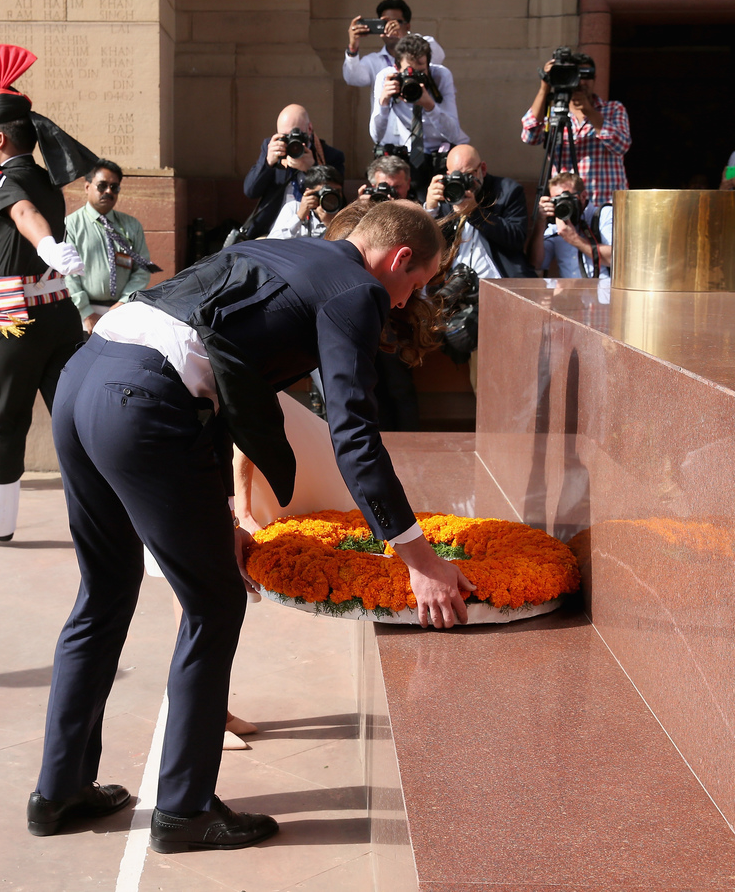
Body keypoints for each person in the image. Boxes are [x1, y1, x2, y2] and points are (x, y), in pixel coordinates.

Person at [28, 201, 476, 851]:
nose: (408, 302)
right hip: (141, 401)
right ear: (399, 259)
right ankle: (183, 809)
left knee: (103, 590)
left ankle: (59, 788)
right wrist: (420, 559)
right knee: (213, 603)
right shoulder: (356, 291)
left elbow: (219, 385)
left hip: (84, 377)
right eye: (418, 283)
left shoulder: (278, 251)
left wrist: (225, 513)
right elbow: (354, 434)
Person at [0, 44, 91, 542]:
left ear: (0, 138)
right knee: (74, 416)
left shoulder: (2, 179)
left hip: (18, 321)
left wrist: (49, 245)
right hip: (61, 317)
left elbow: (24, 218)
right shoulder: (42, 180)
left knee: (3, 419)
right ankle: (110, 509)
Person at [521, 52, 630, 208]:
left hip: (606, 203)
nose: (580, 82)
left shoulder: (612, 109)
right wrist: (545, 87)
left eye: (585, 76)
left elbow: (621, 146)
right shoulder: (553, 111)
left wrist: (590, 112)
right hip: (566, 203)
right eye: (575, 75)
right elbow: (530, 136)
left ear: (595, 79)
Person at [65, 159, 161, 337]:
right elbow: (68, 274)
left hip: (122, 312)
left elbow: (142, 271)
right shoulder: (71, 225)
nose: (108, 191)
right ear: (87, 187)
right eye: (102, 186)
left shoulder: (132, 225)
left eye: (114, 187)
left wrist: (123, 303)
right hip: (83, 315)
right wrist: (86, 312)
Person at [370, 35, 468, 196]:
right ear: (396, 68)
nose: (415, 79)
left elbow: (453, 133)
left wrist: (430, 105)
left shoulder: (441, 76)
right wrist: (384, 102)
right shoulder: (385, 77)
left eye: (421, 72)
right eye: (409, 73)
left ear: (429, 65)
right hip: (403, 157)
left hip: (437, 156)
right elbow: (376, 135)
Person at [425, 144, 533, 279]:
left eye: (469, 175)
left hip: (498, 278)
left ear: (482, 169)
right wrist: (430, 209)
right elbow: (430, 244)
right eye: (457, 176)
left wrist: (475, 213)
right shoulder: (447, 192)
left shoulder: (507, 191)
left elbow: (516, 239)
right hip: (453, 283)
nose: (463, 183)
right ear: (448, 175)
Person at [242, 104, 345, 239]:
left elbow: (339, 202)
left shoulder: (330, 155)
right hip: (272, 230)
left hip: (312, 232)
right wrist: (268, 163)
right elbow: (250, 191)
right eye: (285, 136)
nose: (291, 142)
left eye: (296, 135)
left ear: (309, 129)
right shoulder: (272, 148)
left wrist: (312, 169)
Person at [343, 0, 445, 87]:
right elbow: (353, 79)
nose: (391, 26)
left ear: (407, 26)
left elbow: (438, 55)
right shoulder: (373, 60)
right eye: (385, 23)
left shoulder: (425, 43)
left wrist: (404, 38)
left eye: (397, 22)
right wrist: (353, 47)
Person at [528, 172, 612, 278]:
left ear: (583, 196)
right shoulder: (556, 224)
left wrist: (574, 239)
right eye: (557, 200)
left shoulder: (604, 215)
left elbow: (615, 259)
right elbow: (536, 264)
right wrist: (540, 222)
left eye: (567, 198)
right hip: (570, 293)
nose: (563, 204)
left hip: (603, 291)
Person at [267, 165, 344, 239]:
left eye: (337, 191)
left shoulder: (344, 214)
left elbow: (345, 247)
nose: (331, 196)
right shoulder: (294, 208)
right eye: (326, 191)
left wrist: (330, 225)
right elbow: (272, 241)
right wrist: (299, 216)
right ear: (309, 192)